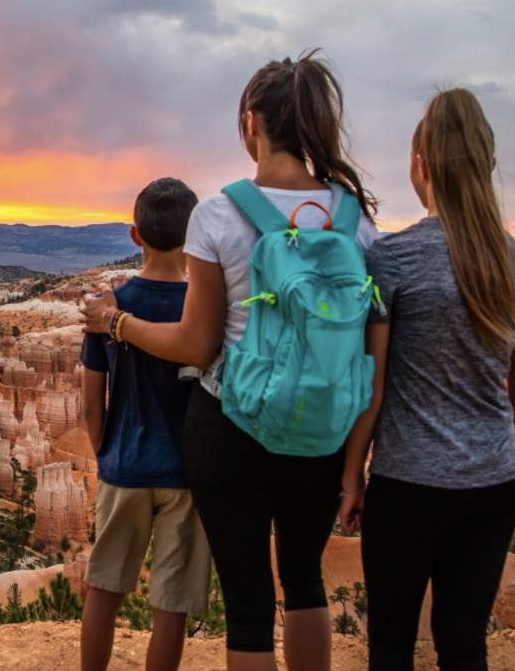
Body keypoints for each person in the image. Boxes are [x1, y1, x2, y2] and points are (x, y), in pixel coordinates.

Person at [81, 51, 379, 671]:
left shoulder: (219, 214)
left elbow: (196, 345)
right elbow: (373, 353)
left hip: (232, 427)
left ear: (251, 124)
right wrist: (354, 469)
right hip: (322, 430)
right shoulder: (357, 222)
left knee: (247, 607)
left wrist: (118, 323)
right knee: (304, 583)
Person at [337, 88, 515, 671]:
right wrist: (507, 468)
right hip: (495, 483)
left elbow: (371, 387)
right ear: (489, 165)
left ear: (419, 163)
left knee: (391, 646)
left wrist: (353, 480)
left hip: (409, 484)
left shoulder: (393, 260)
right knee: (463, 645)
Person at [79, 177, 211, 671]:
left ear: (135, 235)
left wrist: (106, 453)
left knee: (103, 592)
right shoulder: (203, 307)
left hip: (124, 468)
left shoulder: (107, 309)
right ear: (195, 235)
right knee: (170, 607)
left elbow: (93, 403)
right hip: (185, 474)